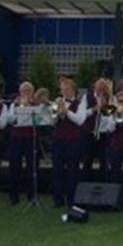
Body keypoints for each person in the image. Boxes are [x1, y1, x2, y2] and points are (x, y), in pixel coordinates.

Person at [51, 77, 87, 207]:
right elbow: (53, 122)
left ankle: (72, 199)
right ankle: (57, 199)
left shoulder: (80, 103)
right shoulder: (58, 102)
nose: (64, 92)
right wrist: (55, 113)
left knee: (73, 170)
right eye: (62, 89)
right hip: (58, 139)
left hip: (73, 140)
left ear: (73, 90)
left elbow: (80, 120)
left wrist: (67, 112)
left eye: (67, 89)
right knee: (57, 170)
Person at [7, 82, 37, 204]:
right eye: (23, 90)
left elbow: (41, 120)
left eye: (28, 90)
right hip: (16, 138)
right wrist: (19, 108)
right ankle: (14, 196)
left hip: (31, 138)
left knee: (32, 168)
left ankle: (31, 196)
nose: (25, 93)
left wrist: (30, 106)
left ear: (32, 92)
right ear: (20, 92)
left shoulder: (36, 105)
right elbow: (10, 119)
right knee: (14, 167)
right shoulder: (14, 104)